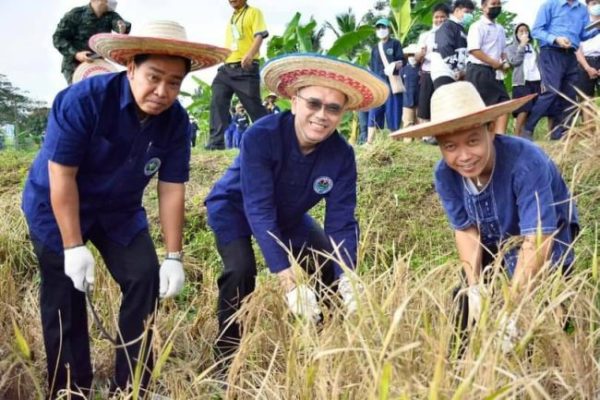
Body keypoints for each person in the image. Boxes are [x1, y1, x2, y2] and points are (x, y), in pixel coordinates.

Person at [22, 21, 229, 398]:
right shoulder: (84, 101)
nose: (162, 91)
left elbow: (171, 188)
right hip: (56, 204)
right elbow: (62, 175)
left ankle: (132, 386)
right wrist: (72, 246)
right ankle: (71, 388)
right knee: (65, 295)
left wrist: (174, 257)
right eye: (154, 77)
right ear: (131, 67)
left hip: (118, 210)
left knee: (144, 276)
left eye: (174, 83)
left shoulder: (177, 122)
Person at [205, 53, 388, 362]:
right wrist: (289, 283)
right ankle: (226, 361)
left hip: (288, 215)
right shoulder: (261, 136)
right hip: (234, 208)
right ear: (294, 102)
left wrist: (348, 276)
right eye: (313, 103)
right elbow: (258, 209)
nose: (322, 115)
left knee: (329, 265)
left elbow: (341, 222)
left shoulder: (341, 155)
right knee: (240, 270)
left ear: (342, 114)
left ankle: (328, 347)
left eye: (333, 108)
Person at [390, 81, 579, 352]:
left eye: (472, 141)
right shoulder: (445, 174)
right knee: (464, 305)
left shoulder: (526, 163)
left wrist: (512, 305)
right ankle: (461, 367)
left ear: (490, 130)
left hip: (544, 241)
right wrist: (474, 286)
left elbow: (538, 236)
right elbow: (466, 230)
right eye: (450, 146)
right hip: (493, 239)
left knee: (540, 322)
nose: (464, 156)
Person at [523, 0, 600, 140]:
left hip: (571, 55)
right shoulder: (549, 5)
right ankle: (528, 128)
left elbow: (583, 35)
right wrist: (555, 39)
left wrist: (597, 28)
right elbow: (536, 31)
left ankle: (561, 134)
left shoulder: (582, 9)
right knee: (552, 91)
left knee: (569, 95)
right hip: (551, 51)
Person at [205, 0, 269, 150]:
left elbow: (259, 36)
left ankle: (271, 140)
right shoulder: (232, 18)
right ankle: (216, 143)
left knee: (254, 108)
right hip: (227, 68)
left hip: (245, 69)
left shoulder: (254, 12)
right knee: (218, 98)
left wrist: (250, 54)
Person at [53, 0, 131, 84]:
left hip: (97, 63)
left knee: (102, 89)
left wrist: (122, 28)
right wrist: (76, 54)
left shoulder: (111, 15)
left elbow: (120, 25)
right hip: (74, 65)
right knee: (81, 90)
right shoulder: (76, 14)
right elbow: (58, 38)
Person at [466, 0, 511, 134]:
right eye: (493, 4)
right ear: (484, 7)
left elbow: (502, 51)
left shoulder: (500, 29)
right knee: (482, 107)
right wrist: (494, 63)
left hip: (494, 72)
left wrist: (504, 62)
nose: (496, 7)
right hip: (479, 70)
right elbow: (474, 50)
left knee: (504, 103)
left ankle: (499, 136)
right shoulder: (477, 26)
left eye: (498, 4)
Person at [367, 18, 404, 144]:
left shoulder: (395, 44)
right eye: (378, 27)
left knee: (393, 114)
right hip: (379, 85)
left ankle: (395, 142)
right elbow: (372, 68)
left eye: (383, 27)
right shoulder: (375, 48)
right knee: (374, 113)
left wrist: (394, 66)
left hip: (392, 84)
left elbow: (401, 61)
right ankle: (370, 142)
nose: (381, 30)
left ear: (389, 29)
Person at [415, 2, 450, 124]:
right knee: (425, 107)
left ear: (448, 18)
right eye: (436, 17)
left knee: (443, 106)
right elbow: (417, 57)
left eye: (442, 17)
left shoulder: (452, 35)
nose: (439, 20)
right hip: (427, 73)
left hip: (444, 74)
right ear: (432, 18)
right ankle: (426, 132)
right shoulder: (425, 36)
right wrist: (421, 54)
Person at [506, 23, 542, 137]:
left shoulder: (533, 47)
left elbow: (538, 63)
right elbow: (514, 61)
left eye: (526, 31)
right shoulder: (510, 48)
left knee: (533, 110)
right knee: (523, 109)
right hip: (521, 81)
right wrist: (521, 45)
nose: (524, 33)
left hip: (535, 80)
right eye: (521, 31)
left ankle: (527, 135)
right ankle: (516, 135)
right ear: (516, 34)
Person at [431, 0, 476, 90]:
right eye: (466, 12)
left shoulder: (460, 28)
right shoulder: (447, 25)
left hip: (456, 74)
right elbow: (444, 46)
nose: (469, 15)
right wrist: (456, 69)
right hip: (445, 72)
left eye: (471, 13)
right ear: (457, 10)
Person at [575, 0, 600, 135]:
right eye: (593, 3)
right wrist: (587, 67)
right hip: (585, 62)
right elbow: (577, 48)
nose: (597, 6)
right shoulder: (581, 23)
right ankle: (590, 133)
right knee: (586, 99)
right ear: (588, 5)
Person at [400, 44, 421, 131]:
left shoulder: (422, 69)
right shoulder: (403, 70)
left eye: (413, 54)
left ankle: (420, 139)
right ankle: (407, 140)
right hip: (407, 101)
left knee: (420, 125)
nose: (412, 57)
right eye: (410, 55)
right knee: (408, 125)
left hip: (419, 101)